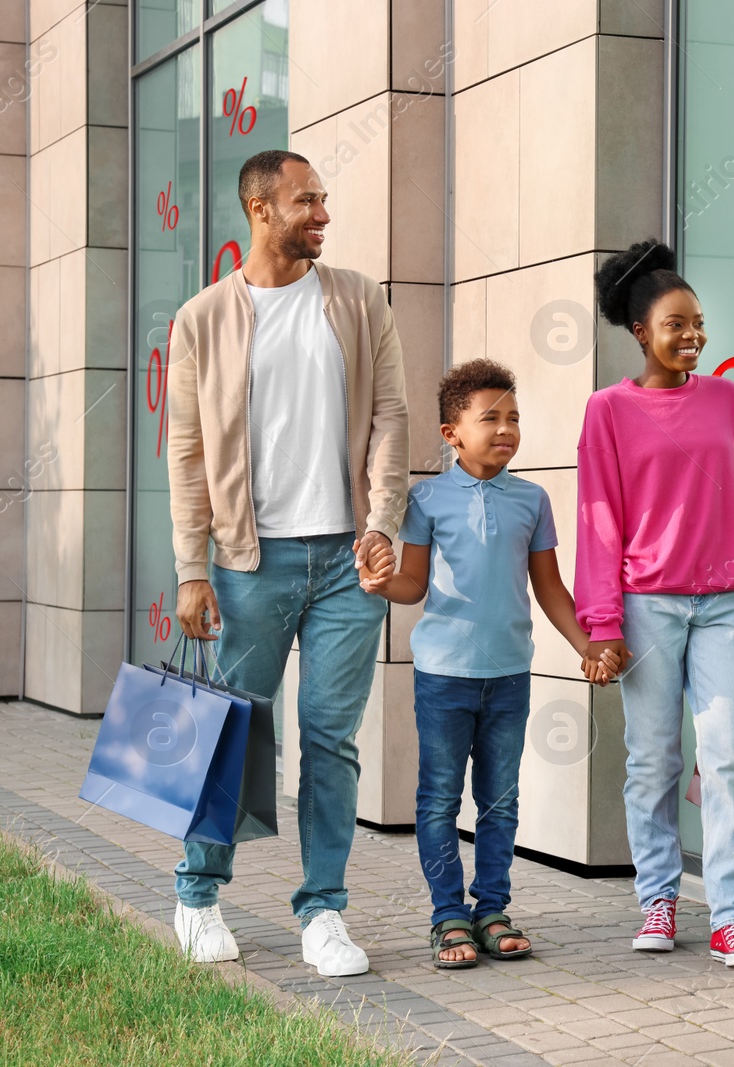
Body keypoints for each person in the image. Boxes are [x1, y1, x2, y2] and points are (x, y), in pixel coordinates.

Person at [167, 149, 407, 977]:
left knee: (332, 741)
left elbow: (389, 416)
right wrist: (191, 567)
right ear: (260, 209)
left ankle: (324, 912)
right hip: (248, 559)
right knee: (231, 727)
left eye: (324, 200)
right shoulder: (202, 318)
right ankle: (197, 894)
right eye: (308, 201)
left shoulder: (357, 299)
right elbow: (188, 453)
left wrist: (382, 524)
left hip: (348, 560)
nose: (323, 215)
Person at [360, 359, 623, 967]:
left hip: (508, 676)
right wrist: (380, 585)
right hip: (443, 677)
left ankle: (493, 909)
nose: (505, 429)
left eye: (513, 418)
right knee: (438, 801)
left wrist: (587, 643)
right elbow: (414, 584)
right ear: (452, 433)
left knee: (501, 802)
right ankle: (448, 917)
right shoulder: (426, 498)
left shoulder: (532, 499)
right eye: (490, 419)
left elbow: (550, 588)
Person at [575, 239, 734, 969]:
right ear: (641, 331)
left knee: (729, 755)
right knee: (653, 758)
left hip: (727, 606)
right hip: (647, 607)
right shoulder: (607, 412)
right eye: (676, 324)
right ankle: (658, 899)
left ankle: (732, 917)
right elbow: (598, 522)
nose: (692, 335)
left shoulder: (728, 400)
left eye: (698, 322)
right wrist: (600, 626)